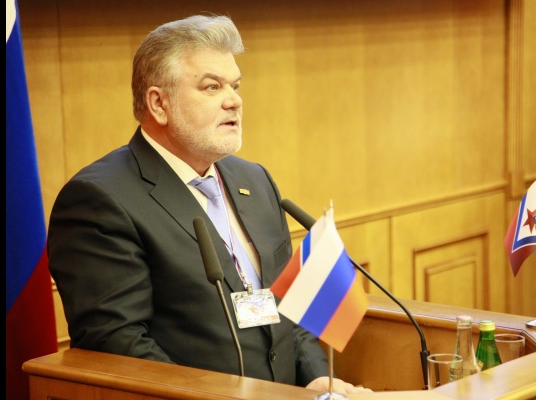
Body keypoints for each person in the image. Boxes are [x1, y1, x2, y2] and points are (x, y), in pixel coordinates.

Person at [47, 14, 371, 395]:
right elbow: (120, 348)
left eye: (235, 86)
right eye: (212, 87)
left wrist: (314, 379)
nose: (234, 101)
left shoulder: (255, 180)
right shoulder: (99, 200)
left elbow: (284, 306)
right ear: (159, 104)